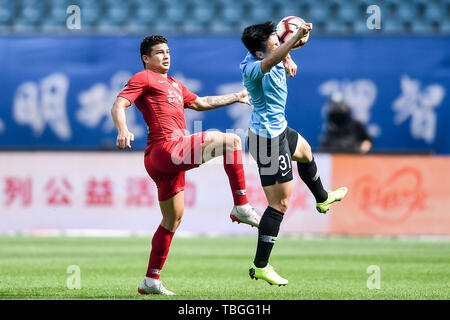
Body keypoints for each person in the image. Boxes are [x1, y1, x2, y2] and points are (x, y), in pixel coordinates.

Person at [111, 35, 261, 296]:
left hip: (166, 161)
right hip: (166, 149)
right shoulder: (144, 77)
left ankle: (151, 280)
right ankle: (241, 205)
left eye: (168, 51)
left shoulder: (174, 84)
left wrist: (236, 96)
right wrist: (123, 129)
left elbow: (201, 103)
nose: (166, 56)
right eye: (159, 52)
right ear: (146, 58)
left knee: (172, 219)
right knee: (233, 141)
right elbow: (119, 104)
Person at [240, 21, 348, 286]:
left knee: (305, 151)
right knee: (280, 204)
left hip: (279, 129)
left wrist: (288, 55)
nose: (278, 45)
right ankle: (261, 266)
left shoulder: (270, 52)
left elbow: (276, 50)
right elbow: (271, 58)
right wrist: (293, 41)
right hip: (267, 141)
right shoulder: (252, 68)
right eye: (274, 44)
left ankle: (322, 198)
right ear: (259, 53)